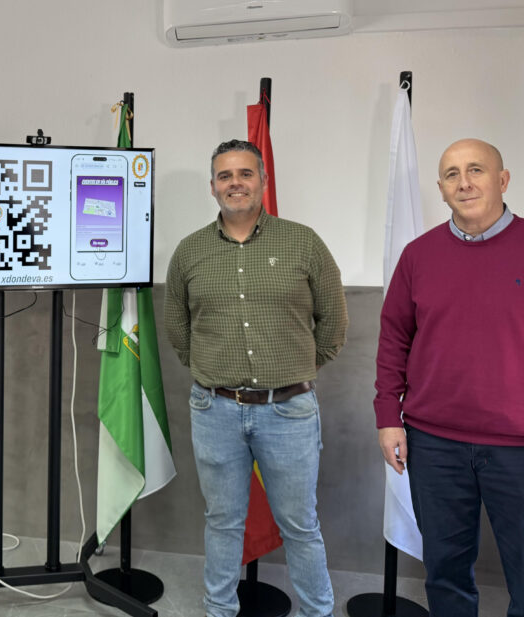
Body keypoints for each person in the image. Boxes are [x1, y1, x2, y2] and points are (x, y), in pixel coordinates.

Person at [375, 138, 524, 615]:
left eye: (476, 170)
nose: (464, 182)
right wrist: (388, 416)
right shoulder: (417, 256)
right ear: (441, 188)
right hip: (434, 446)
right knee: (445, 577)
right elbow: (394, 339)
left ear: (502, 180)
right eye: (452, 174)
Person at [165, 139, 348, 617]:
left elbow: (333, 322)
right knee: (223, 521)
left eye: (245, 173)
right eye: (225, 176)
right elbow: (178, 329)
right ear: (212, 187)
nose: (235, 183)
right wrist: (213, 371)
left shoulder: (303, 242)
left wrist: (295, 370)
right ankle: (219, 611)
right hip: (215, 409)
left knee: (300, 525)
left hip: (289, 411)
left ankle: (317, 613)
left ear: (263, 181)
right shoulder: (190, 251)